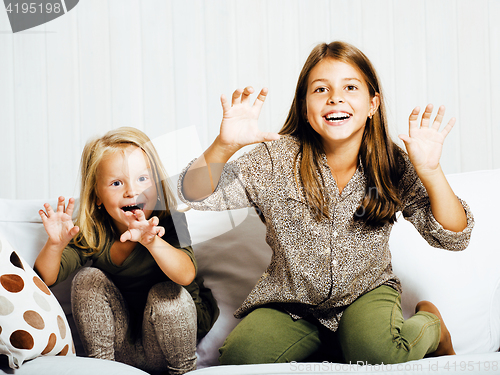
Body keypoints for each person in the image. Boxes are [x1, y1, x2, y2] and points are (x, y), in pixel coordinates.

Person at [178, 41, 474, 365]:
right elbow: (194, 194)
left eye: (350, 87)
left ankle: (432, 323)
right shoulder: (275, 160)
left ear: (373, 103)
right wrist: (223, 145)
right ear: (305, 107)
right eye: (321, 89)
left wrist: (430, 172)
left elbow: (454, 236)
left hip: (365, 294)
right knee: (242, 358)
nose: (335, 97)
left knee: (378, 353)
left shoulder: (392, 163)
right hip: (292, 304)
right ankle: (329, 345)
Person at [34, 127, 218, 375]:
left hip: (168, 342)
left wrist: (151, 242)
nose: (132, 191)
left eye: (143, 179)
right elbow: (45, 277)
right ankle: (102, 370)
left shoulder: (169, 220)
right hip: (122, 345)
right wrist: (55, 245)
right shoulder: (95, 230)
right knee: (87, 278)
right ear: (97, 195)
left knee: (167, 293)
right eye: (117, 183)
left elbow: (185, 275)